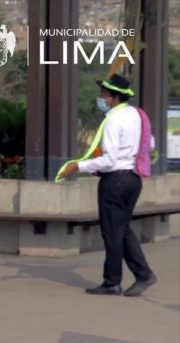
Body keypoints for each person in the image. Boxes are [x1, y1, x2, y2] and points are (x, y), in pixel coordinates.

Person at [59, 74, 157, 296]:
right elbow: (150, 143)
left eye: (104, 94)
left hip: (115, 180)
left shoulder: (113, 120)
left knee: (112, 232)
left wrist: (78, 166)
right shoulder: (138, 114)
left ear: (114, 98)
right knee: (121, 230)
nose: (101, 98)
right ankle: (142, 275)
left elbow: (109, 159)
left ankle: (114, 281)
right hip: (133, 179)